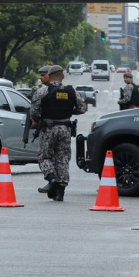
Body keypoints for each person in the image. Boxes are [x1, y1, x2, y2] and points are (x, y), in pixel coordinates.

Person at [29, 64, 86, 201]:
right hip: (65, 128)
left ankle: (52, 178)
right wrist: (67, 111)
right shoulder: (72, 92)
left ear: (49, 76)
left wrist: (42, 117)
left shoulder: (43, 91)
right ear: (62, 76)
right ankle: (60, 192)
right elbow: (82, 108)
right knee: (63, 158)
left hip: (48, 128)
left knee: (44, 156)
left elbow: (34, 112)